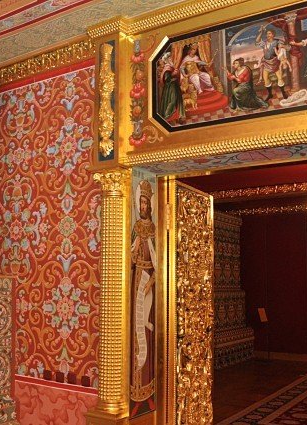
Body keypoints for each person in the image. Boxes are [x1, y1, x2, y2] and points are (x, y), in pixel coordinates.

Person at [130, 180, 156, 413]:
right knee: (134, 335)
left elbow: (159, 264)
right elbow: (129, 259)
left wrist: (150, 284)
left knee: (146, 332)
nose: (143, 206)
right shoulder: (136, 228)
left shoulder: (155, 231)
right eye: (140, 202)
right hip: (135, 281)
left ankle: (148, 392)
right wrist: (134, 246)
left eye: (146, 202)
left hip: (147, 284)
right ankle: (135, 393)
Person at [255, 26, 289, 101]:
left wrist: (283, 46)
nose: (268, 35)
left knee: (280, 78)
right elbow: (257, 41)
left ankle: (283, 93)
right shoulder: (264, 43)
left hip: (275, 62)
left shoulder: (277, 42)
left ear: (273, 35)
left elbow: (288, 48)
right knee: (266, 79)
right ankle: (270, 94)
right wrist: (261, 32)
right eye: (267, 34)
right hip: (266, 63)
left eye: (269, 33)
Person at [158, 52, 185, 123]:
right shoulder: (167, 68)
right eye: (169, 58)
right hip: (170, 87)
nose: (171, 59)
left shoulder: (171, 66)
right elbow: (167, 79)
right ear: (167, 60)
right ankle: (168, 116)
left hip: (174, 86)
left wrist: (177, 73)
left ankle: (179, 117)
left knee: (178, 101)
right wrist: (173, 74)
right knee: (172, 101)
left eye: (170, 57)